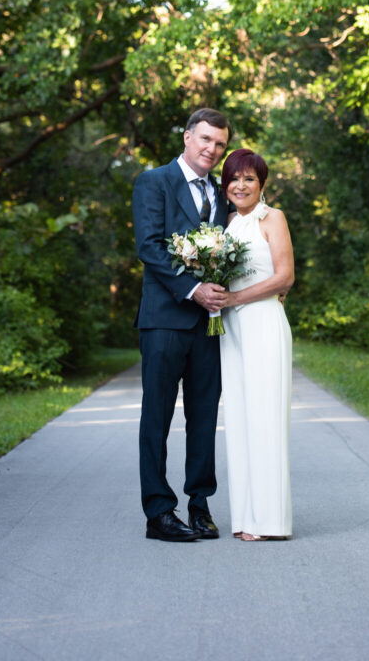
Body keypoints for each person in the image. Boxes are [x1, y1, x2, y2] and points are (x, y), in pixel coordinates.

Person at [132, 108, 232, 542]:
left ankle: (200, 505)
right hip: (164, 320)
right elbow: (150, 247)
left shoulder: (223, 196)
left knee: (205, 416)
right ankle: (159, 512)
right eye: (206, 139)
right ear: (188, 136)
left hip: (208, 325)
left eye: (220, 145)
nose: (212, 149)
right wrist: (192, 289)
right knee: (157, 417)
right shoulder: (153, 182)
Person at [218, 147, 294, 541]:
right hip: (233, 332)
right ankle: (247, 518)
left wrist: (236, 299)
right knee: (242, 423)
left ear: (262, 184)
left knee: (265, 419)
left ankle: (271, 522)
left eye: (249, 178)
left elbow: (284, 279)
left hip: (263, 323)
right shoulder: (229, 225)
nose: (240, 185)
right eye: (233, 178)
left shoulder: (272, 218)